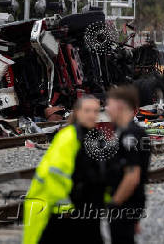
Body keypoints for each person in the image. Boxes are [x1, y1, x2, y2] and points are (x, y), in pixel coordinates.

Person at [23, 95, 104, 244]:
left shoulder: (94, 137)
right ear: (78, 113)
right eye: (87, 111)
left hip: (87, 208)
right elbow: (55, 175)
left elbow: (98, 173)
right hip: (61, 210)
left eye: (95, 111)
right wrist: (65, 207)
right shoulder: (68, 137)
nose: (92, 115)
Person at [105, 85, 151, 244]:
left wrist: (114, 204)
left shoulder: (131, 135)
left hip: (125, 202)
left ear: (120, 105)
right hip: (128, 202)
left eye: (109, 104)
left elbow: (132, 176)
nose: (107, 109)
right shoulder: (123, 131)